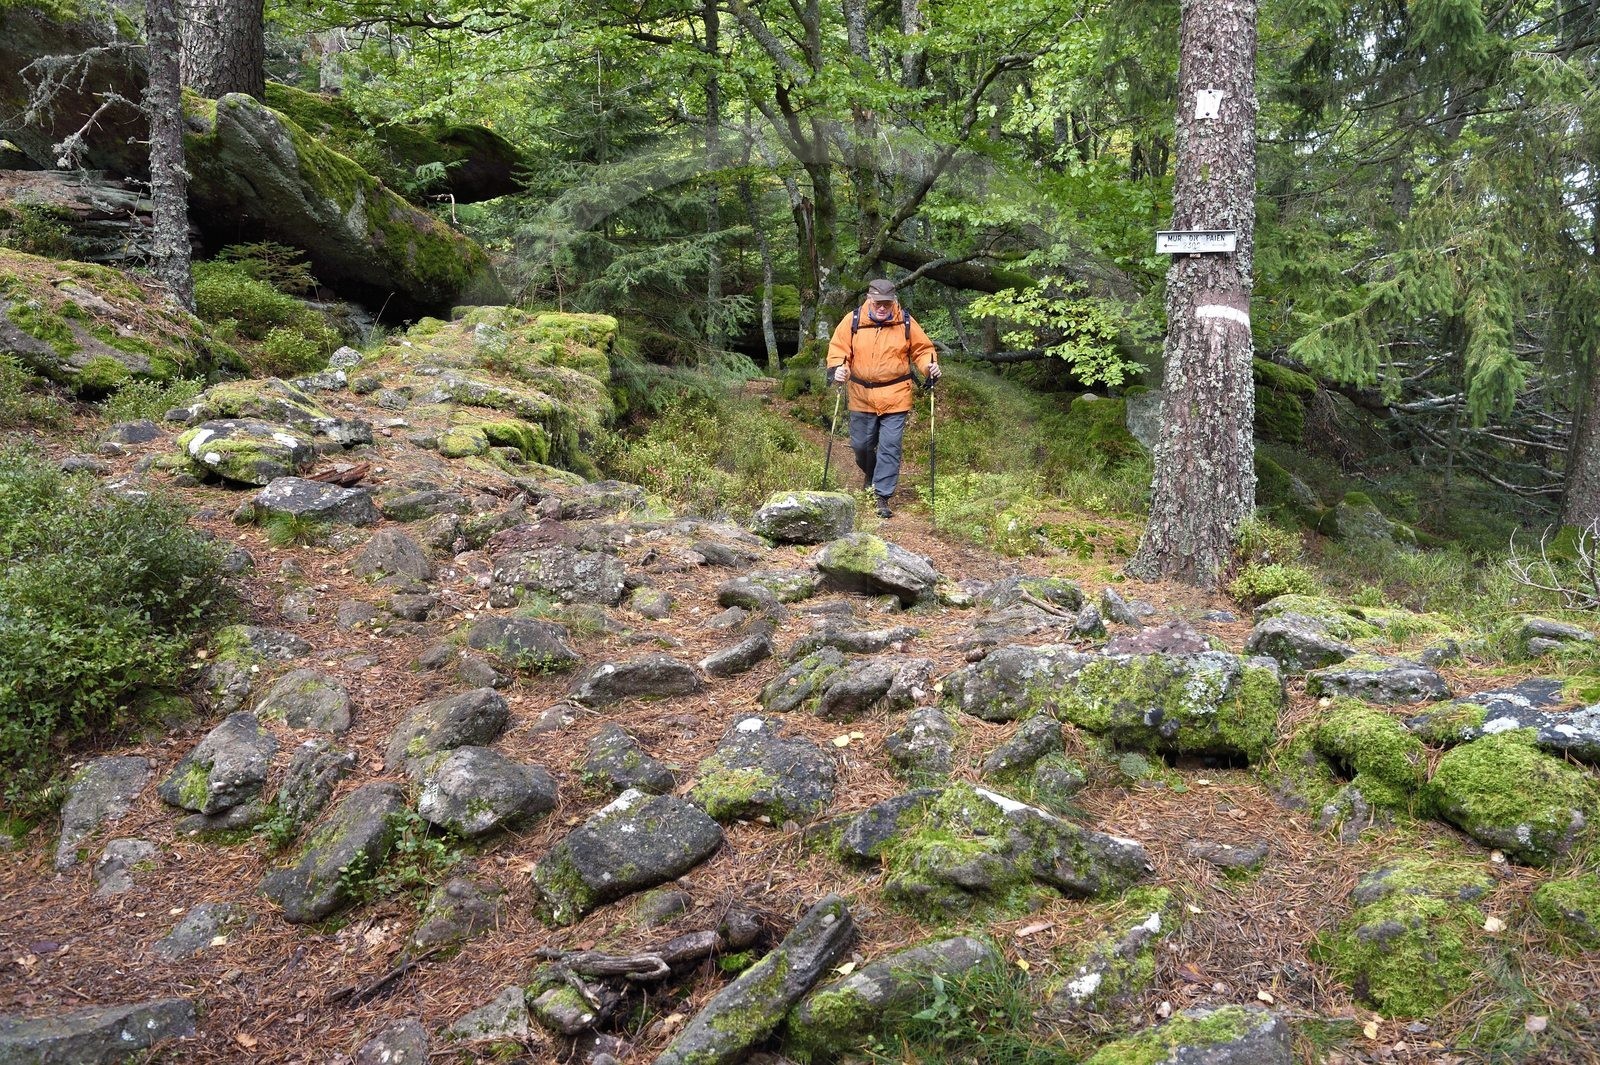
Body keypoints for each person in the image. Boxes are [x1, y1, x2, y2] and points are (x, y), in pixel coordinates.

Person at [825, 278, 940, 518]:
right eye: (878, 303)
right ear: (869, 299)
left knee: (890, 447)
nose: (882, 307)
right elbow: (839, 350)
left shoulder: (905, 321)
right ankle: (873, 473)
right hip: (861, 395)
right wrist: (838, 368)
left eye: (887, 303)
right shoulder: (853, 320)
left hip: (896, 395)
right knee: (861, 446)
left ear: (894, 302)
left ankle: (881, 495)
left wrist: (929, 368)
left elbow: (923, 350)